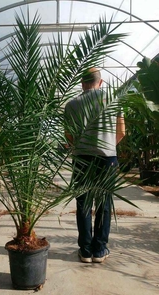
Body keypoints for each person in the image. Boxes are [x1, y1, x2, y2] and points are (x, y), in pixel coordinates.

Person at [64, 68, 125, 263]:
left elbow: (69, 136)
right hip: (107, 158)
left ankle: (85, 250)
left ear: (82, 83)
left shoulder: (71, 105)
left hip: (82, 159)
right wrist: (107, 146)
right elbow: (122, 131)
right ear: (101, 82)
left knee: (83, 204)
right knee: (104, 203)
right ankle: (100, 250)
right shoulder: (113, 99)